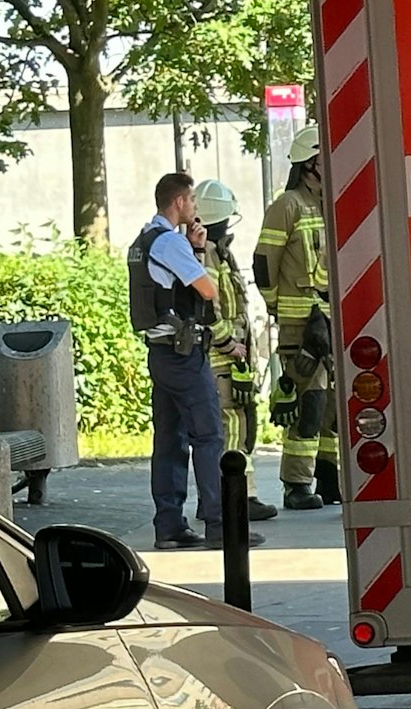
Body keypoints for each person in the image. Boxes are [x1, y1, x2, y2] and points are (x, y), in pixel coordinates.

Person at [129, 173, 264, 551]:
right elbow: (207, 289)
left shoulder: (144, 240)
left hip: (161, 353)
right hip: (185, 355)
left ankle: (169, 526)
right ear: (178, 203)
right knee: (209, 436)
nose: (195, 208)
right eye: (191, 202)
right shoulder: (170, 242)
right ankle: (218, 523)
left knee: (170, 441)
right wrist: (196, 255)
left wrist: (196, 250)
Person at [256, 125, 338, 511]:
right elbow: (263, 263)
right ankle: (296, 483)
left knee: (331, 405)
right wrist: (276, 303)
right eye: (324, 158)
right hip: (299, 323)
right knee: (309, 401)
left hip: (328, 318)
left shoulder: (328, 203)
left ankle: (329, 476)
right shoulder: (286, 205)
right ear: (309, 164)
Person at [195, 179, 278, 523]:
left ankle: (233, 496)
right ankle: (233, 498)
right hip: (222, 358)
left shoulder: (218, 253)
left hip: (234, 358)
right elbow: (207, 307)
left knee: (241, 424)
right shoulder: (209, 256)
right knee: (230, 425)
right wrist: (228, 342)